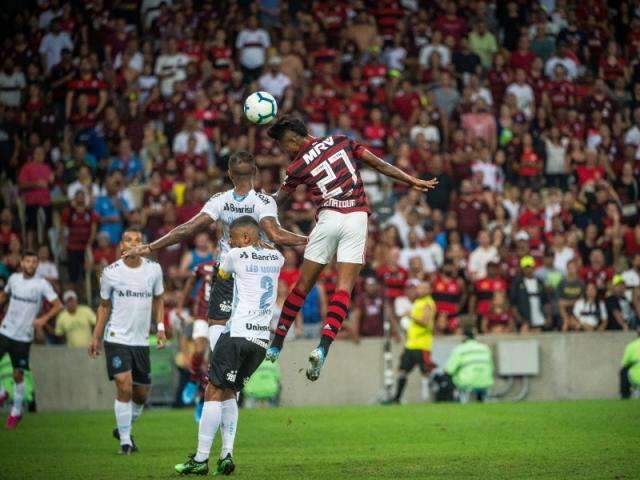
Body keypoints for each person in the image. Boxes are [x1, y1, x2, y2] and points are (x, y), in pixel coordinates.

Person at [265, 116, 437, 381]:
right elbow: (378, 164)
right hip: (356, 217)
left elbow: (278, 201)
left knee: (302, 286)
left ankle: (276, 345)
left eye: (282, 144)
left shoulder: (297, 166)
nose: (284, 150)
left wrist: (257, 209)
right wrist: (410, 180)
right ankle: (322, 349)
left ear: (292, 139)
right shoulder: (341, 140)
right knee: (344, 289)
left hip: (328, 217)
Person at [122, 151, 306, 382]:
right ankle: (229, 379)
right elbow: (275, 234)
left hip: (226, 272)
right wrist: (309, 240)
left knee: (219, 329)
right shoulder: (264, 202)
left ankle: (217, 373)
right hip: (256, 275)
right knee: (248, 338)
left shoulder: (220, 200)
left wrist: (150, 247)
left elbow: (187, 228)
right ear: (255, 173)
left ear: (229, 174)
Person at [174, 216, 284, 476]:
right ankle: (226, 455)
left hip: (236, 334)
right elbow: (273, 248)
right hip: (260, 341)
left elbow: (222, 276)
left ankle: (201, 459)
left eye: (232, 238)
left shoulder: (234, 256)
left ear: (245, 238)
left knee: (213, 390)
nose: (229, 242)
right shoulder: (277, 258)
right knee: (230, 392)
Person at [88, 228, 166, 454]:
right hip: (116, 337)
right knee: (124, 384)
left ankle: (123, 426)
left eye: (138, 240)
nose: (133, 244)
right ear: (121, 246)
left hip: (141, 341)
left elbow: (159, 299)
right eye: (128, 240)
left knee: (141, 395)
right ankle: (125, 442)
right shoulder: (111, 272)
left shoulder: (154, 270)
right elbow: (104, 306)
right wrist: (96, 336)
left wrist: (160, 328)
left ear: (143, 246)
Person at [0, 251, 62, 428]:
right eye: (28, 261)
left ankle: (16, 411)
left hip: (23, 336)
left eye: (34, 262)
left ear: (37, 265)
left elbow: (58, 305)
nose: (31, 264)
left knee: (18, 374)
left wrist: (43, 319)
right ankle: (2, 392)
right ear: (21, 263)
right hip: (5, 330)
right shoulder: (13, 279)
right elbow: (4, 295)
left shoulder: (41, 284)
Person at [389, 281, 436, 404]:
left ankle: (427, 398)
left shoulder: (428, 303)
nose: (419, 290)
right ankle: (397, 398)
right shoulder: (418, 302)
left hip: (422, 343)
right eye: (419, 287)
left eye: (423, 287)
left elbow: (425, 321)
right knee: (402, 370)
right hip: (411, 343)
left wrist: (411, 315)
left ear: (429, 290)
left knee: (425, 371)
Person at [445, 329, 494, 403]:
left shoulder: (460, 349)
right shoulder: (485, 348)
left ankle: (455, 400)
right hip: (486, 381)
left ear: (463, 338)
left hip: (467, 382)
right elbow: (491, 367)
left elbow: (449, 370)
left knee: (449, 377)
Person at [510, 256, 551, 333]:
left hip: (540, 318)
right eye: (526, 267)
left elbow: (546, 301)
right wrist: (519, 319)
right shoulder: (517, 284)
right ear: (522, 269)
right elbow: (513, 303)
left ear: (534, 267)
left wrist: (548, 317)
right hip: (525, 319)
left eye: (530, 267)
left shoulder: (540, 282)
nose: (528, 270)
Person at [620, 330, 640, 399]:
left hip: (635, 377)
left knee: (623, 371)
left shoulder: (631, 346)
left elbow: (624, 363)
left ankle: (625, 395)